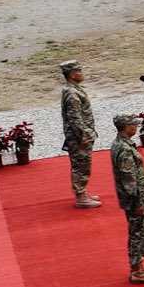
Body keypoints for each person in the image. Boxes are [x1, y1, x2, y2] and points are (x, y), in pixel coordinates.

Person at [111, 114, 144, 283]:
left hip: (136, 198)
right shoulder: (124, 149)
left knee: (140, 231)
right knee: (139, 232)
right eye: (134, 124)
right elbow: (129, 180)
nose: (136, 127)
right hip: (135, 201)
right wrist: (138, 202)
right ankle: (136, 270)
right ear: (126, 127)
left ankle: (139, 265)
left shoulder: (122, 144)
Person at [58, 60, 100, 208]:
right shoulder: (72, 92)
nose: (82, 74)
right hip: (79, 136)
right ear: (72, 74)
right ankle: (80, 196)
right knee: (81, 165)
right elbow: (75, 117)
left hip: (81, 134)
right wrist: (83, 136)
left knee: (83, 164)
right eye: (79, 71)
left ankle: (82, 192)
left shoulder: (73, 89)